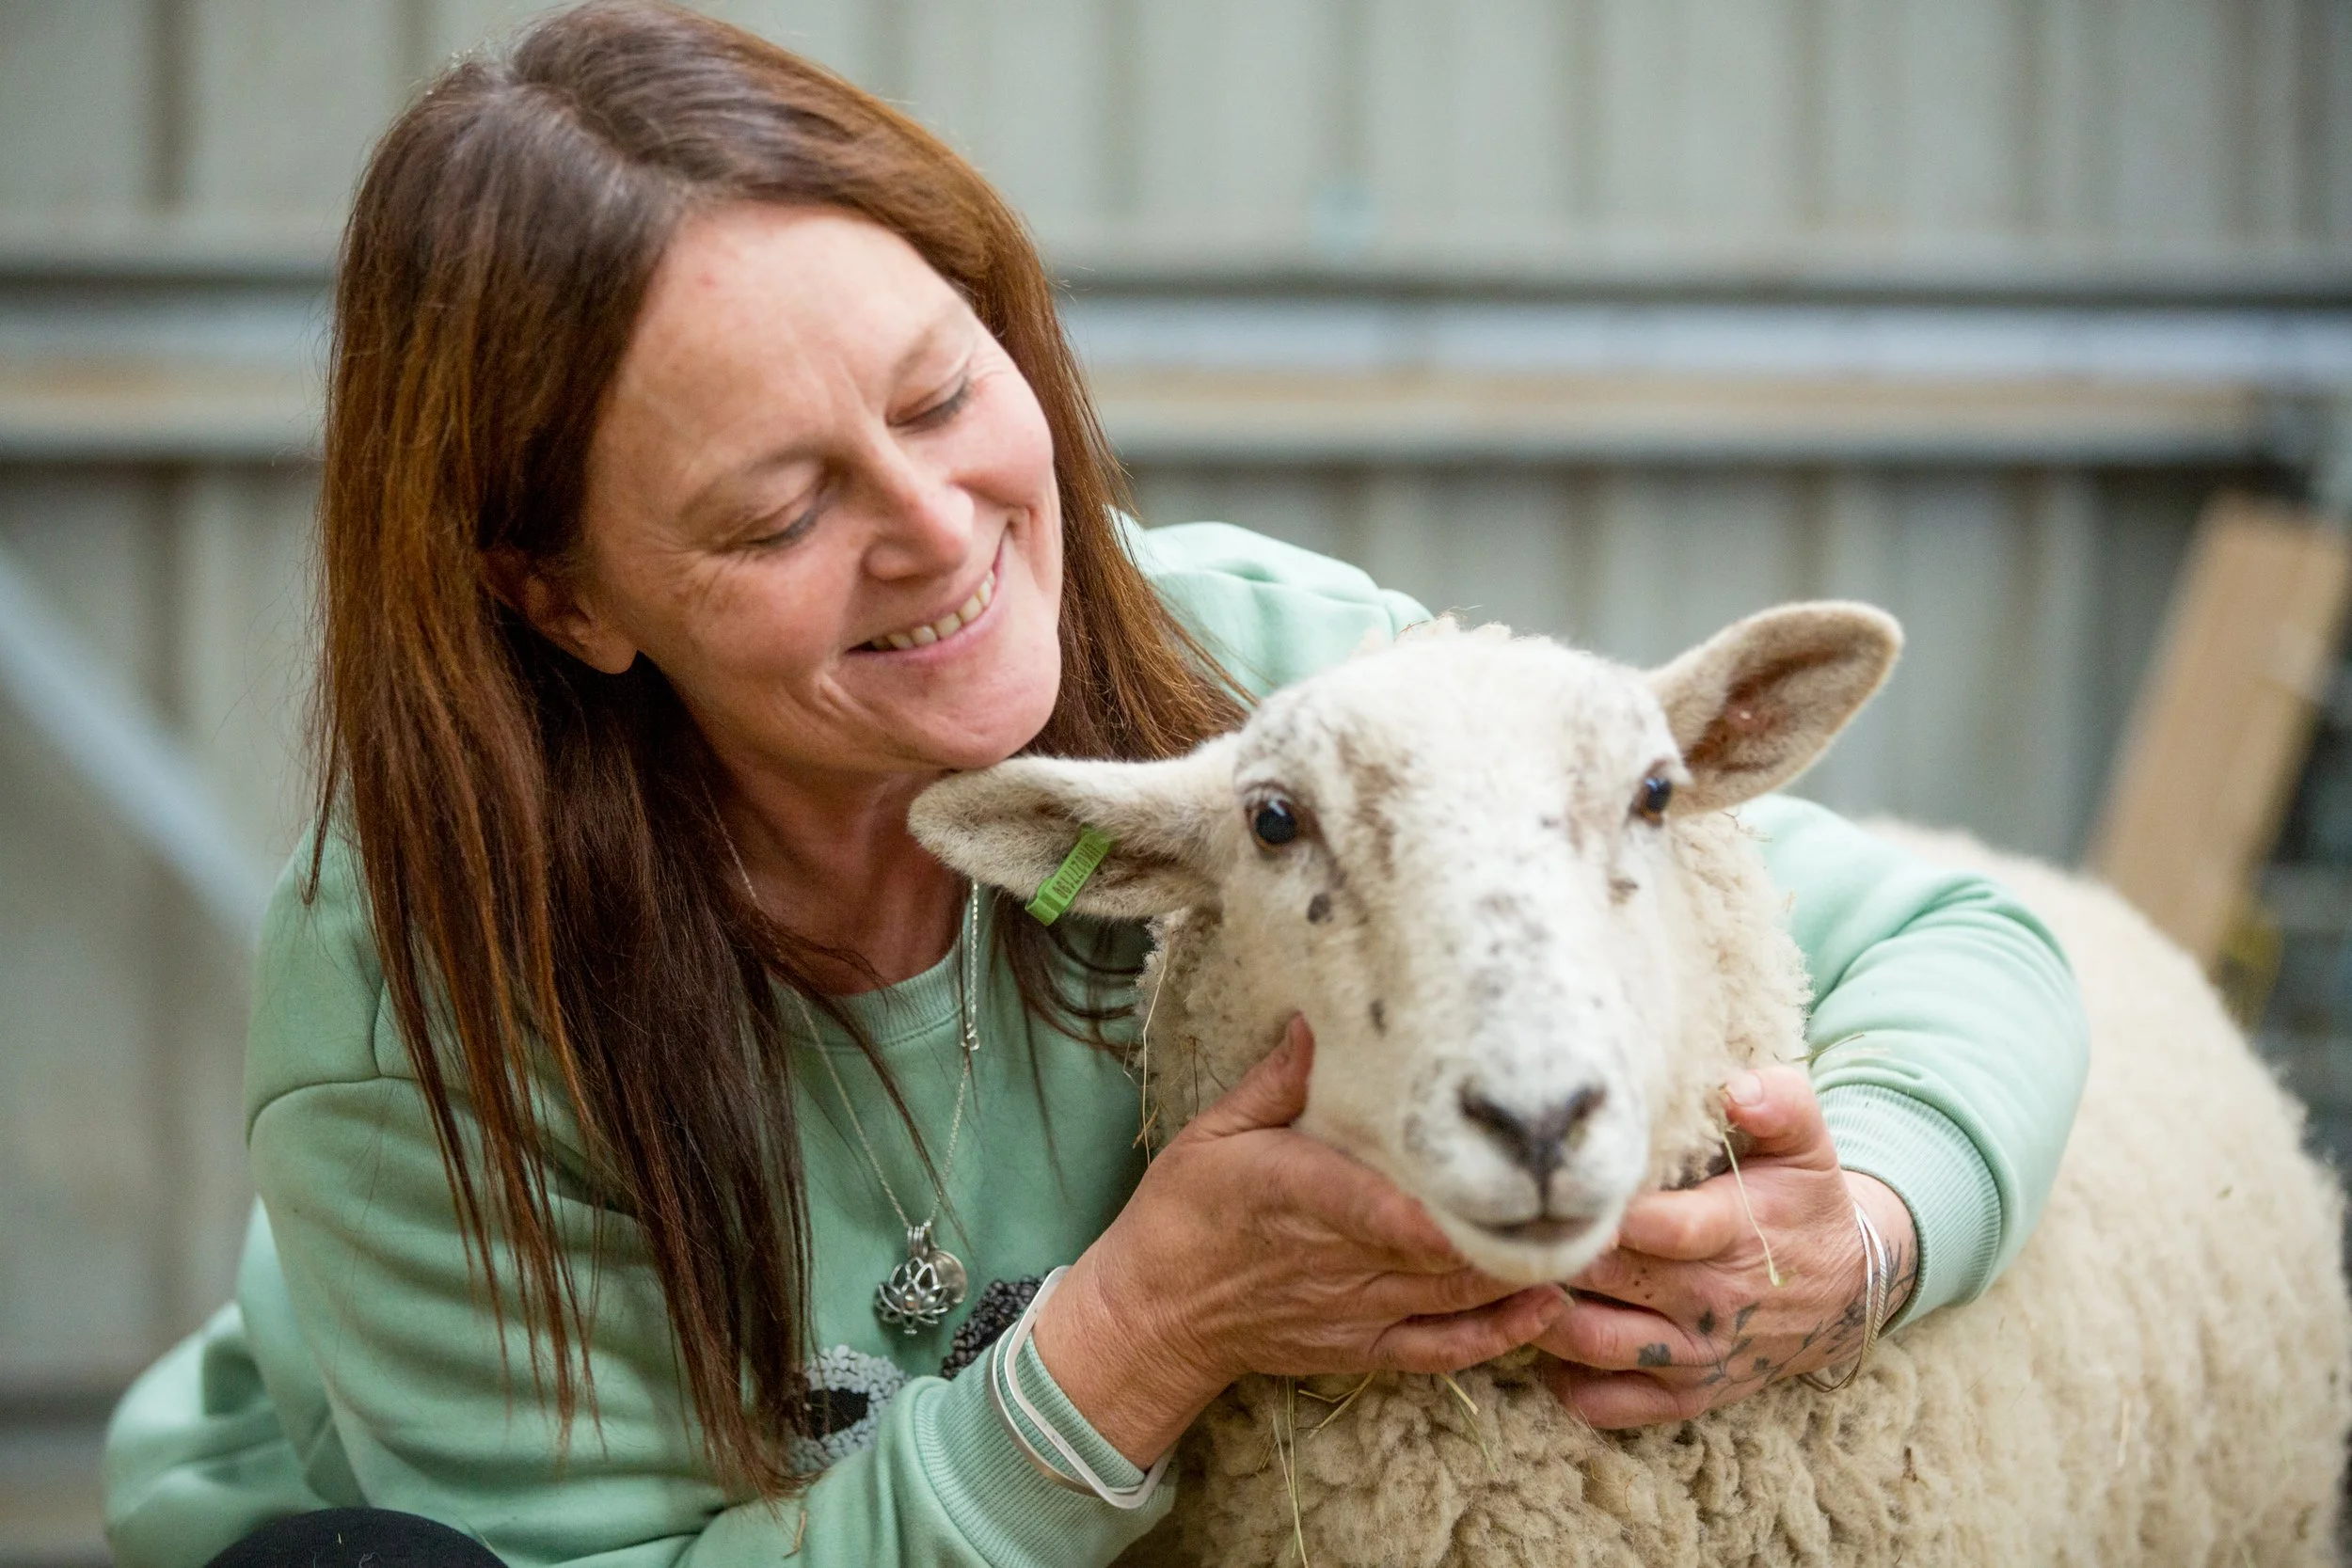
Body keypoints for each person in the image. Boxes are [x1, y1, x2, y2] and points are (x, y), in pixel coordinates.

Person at [101, 6, 2090, 1566]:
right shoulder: (418, 993)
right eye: (779, 506)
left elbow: (1947, 934)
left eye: (944, 390)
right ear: (566, 593)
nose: (935, 532)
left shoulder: (1283, 684)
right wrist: (1142, 1327)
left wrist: (1871, 1233)